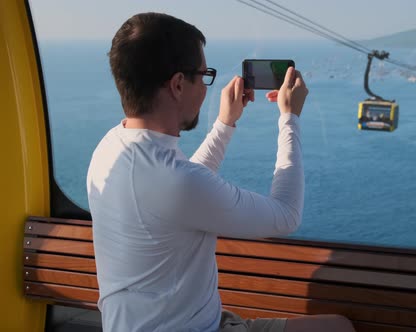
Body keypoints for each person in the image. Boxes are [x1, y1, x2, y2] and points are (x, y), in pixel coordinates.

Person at [86, 12, 355, 332]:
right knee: (338, 328)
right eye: (204, 75)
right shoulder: (174, 181)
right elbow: (286, 216)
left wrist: (225, 125)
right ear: (177, 84)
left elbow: (179, 191)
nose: (205, 87)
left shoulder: (110, 148)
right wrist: (290, 117)